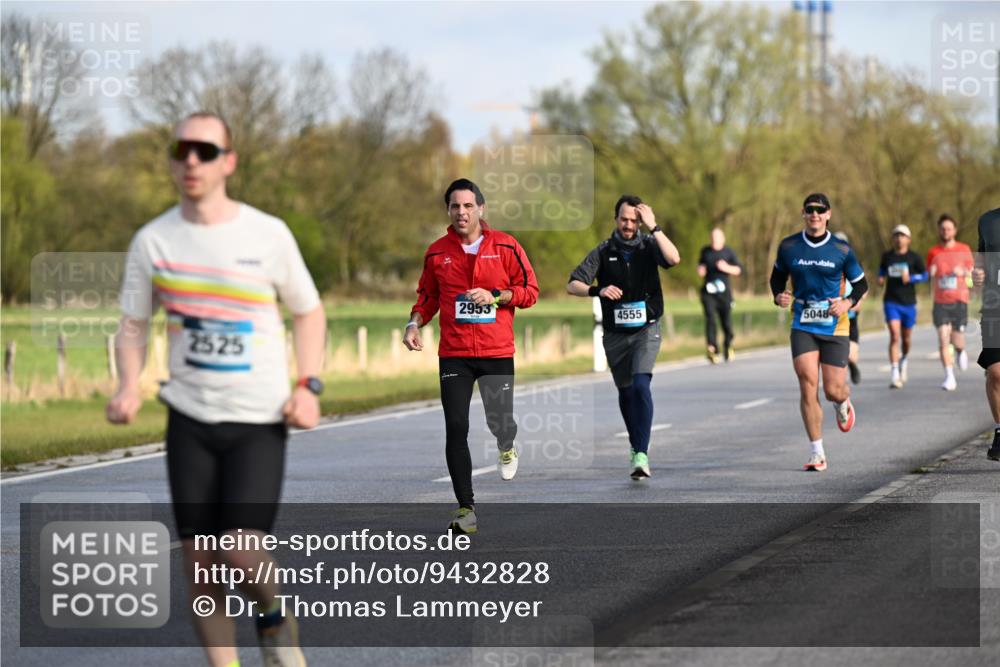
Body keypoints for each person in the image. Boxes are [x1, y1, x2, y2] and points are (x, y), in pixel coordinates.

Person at [107, 112, 325, 667]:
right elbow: (133, 325)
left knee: (240, 548)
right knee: (200, 562)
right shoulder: (153, 240)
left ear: (228, 161)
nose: (191, 161)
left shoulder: (267, 234)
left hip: (258, 418)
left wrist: (309, 385)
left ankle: (274, 619)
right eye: (182, 150)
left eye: (205, 151)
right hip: (189, 418)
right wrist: (128, 385)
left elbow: (308, 311)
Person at [403, 178, 538, 533]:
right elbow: (427, 298)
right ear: (448, 210)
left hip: (495, 351)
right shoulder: (437, 252)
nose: (461, 212)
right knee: (456, 427)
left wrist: (497, 295)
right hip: (455, 354)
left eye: (467, 206)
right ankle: (466, 509)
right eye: (454, 206)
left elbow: (530, 291)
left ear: (481, 208)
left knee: (500, 422)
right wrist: (413, 324)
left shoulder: (506, 246)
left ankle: (506, 445)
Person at [567, 195, 680, 479]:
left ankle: (641, 454)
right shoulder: (604, 251)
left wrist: (655, 228)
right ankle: (636, 445)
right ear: (616, 219)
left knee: (642, 385)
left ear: (640, 221)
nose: (629, 225)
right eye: (624, 219)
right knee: (626, 392)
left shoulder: (649, 245)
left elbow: (674, 258)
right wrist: (597, 291)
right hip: (616, 334)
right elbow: (573, 284)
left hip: (647, 328)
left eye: (634, 220)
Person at [770, 193, 868, 472]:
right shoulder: (789, 246)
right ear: (803, 213)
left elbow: (861, 285)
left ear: (828, 214)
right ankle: (817, 452)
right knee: (807, 381)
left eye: (820, 210)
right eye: (810, 210)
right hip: (803, 321)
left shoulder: (841, 249)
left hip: (835, 324)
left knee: (832, 390)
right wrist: (779, 295)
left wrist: (847, 302)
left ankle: (842, 401)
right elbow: (776, 278)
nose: (815, 215)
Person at [927, 214, 975, 391]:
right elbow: (929, 274)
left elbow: (972, 276)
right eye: (942, 228)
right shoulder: (933, 252)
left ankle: (961, 351)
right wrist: (930, 272)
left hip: (959, 300)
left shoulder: (964, 249)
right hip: (940, 302)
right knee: (942, 338)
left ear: (954, 230)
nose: (945, 231)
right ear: (939, 230)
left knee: (957, 340)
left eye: (948, 228)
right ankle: (949, 376)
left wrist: (963, 272)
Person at [878, 224, 927, 389]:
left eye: (902, 236)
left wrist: (912, 278)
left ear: (908, 239)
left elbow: (925, 275)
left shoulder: (914, 257)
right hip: (891, 301)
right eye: (896, 235)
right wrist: (880, 278)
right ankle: (894, 373)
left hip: (909, 303)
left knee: (906, 339)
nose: (899, 238)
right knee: (894, 335)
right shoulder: (887, 256)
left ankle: (904, 359)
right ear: (893, 239)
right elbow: (881, 270)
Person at [973, 207, 1000, 461]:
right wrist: (977, 275)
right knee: (996, 371)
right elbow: (980, 261)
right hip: (994, 307)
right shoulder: (988, 220)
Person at [697, 228, 743, 363]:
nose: (714, 240)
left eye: (717, 237)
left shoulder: (728, 252)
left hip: (724, 294)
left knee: (726, 321)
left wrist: (726, 267)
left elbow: (739, 270)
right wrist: (700, 269)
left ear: (723, 239)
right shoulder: (705, 251)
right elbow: (700, 265)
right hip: (708, 292)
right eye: (712, 237)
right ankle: (712, 349)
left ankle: (728, 346)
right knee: (710, 319)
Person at [833, 231, 863, 384]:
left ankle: (852, 365)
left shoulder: (853, 263)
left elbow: (863, 286)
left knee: (850, 355)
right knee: (838, 356)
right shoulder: (827, 263)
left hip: (851, 315)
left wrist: (858, 301)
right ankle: (840, 386)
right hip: (833, 316)